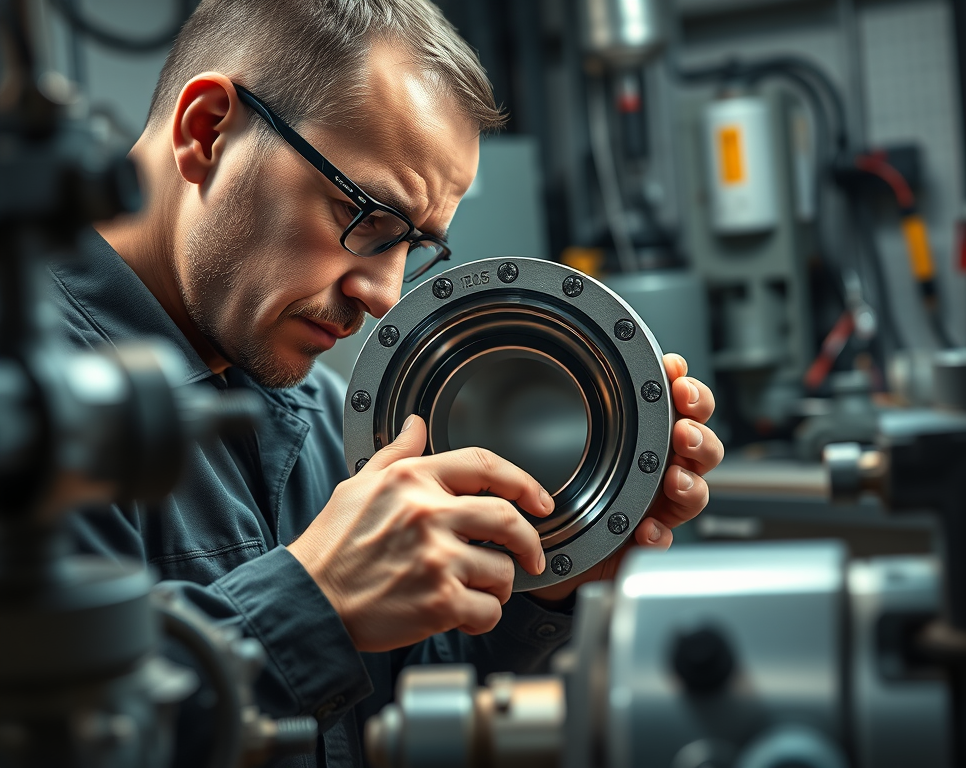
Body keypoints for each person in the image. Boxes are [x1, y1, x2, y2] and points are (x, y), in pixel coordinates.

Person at [53, 1, 724, 766]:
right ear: (207, 132)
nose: (383, 295)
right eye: (365, 216)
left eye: (416, 247)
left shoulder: (314, 412)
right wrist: (314, 604)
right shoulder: (33, 415)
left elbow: (399, 702)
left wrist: (545, 587)